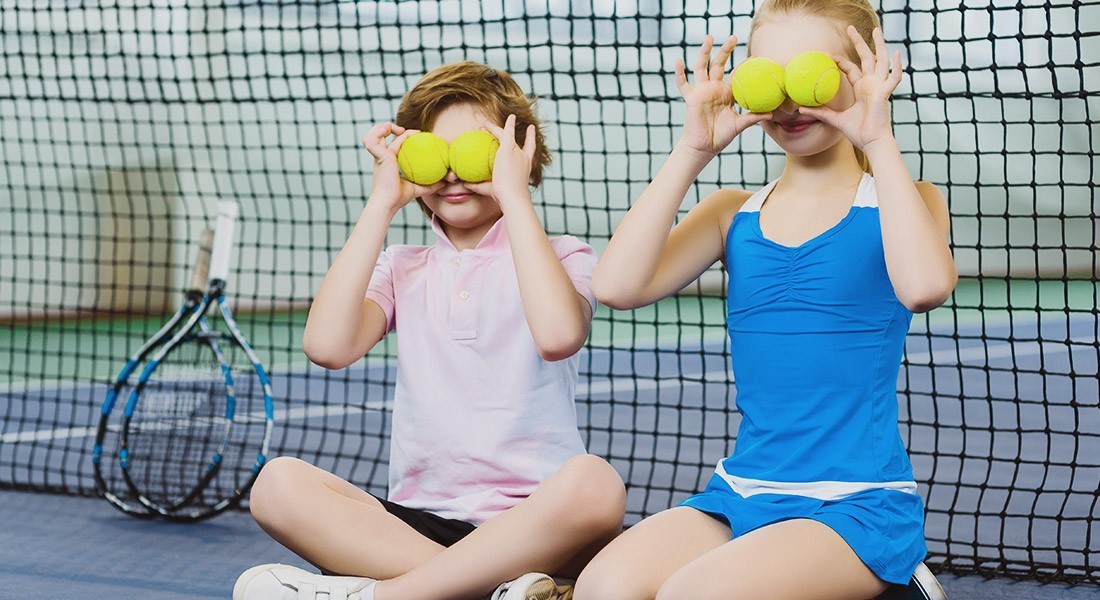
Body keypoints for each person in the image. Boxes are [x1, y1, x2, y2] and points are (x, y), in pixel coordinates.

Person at [573, 1, 956, 598]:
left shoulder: (907, 200)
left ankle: (901, 580)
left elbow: (925, 286)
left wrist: (877, 139)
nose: (788, 102)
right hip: (742, 492)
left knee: (692, 595)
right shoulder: (731, 213)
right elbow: (617, 287)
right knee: (604, 589)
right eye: (767, 76)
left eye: (812, 74)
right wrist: (693, 151)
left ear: (863, 75)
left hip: (856, 505)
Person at [233, 61, 626, 600]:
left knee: (595, 484)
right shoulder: (401, 265)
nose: (453, 174)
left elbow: (559, 335)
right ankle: (489, 588)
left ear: (518, 157)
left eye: (475, 152)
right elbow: (326, 346)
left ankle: (391, 594)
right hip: (419, 524)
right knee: (277, 485)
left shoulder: (563, 254)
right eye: (436, 156)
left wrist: (515, 196)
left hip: (540, 523)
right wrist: (381, 203)